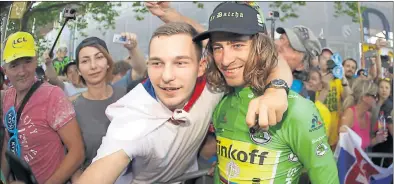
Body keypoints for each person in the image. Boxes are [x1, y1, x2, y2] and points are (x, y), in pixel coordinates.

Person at [78, 19, 293, 183]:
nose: (167, 76)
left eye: (180, 63)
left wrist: (276, 90)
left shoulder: (213, 86)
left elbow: (273, 59)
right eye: (157, 63)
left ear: (201, 67)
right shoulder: (132, 118)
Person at [193, 2, 338, 183]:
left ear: (261, 48)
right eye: (218, 47)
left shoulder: (298, 110)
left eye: (237, 45)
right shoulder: (222, 103)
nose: (225, 59)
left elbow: (326, 178)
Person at [1, 32, 84, 184]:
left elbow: (77, 153)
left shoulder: (53, 96)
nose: (22, 71)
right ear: (5, 70)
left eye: (27, 61)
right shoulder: (7, 97)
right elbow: (9, 139)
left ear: (36, 61)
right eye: (14, 65)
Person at [66, 37, 127, 182]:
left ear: (108, 62)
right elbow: (72, 160)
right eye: (85, 61)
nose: (93, 66)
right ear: (79, 70)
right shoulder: (71, 107)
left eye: (99, 57)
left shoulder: (127, 97)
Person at [274, 25, 322, 98]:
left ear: (301, 65)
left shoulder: (295, 99)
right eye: (282, 39)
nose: (278, 45)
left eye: (289, 46)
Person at [340, 79, 387, 150]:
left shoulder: (368, 116)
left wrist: (377, 139)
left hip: (361, 160)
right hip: (349, 160)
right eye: (375, 96)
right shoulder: (349, 113)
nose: (377, 99)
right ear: (364, 97)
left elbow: (365, 143)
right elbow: (342, 144)